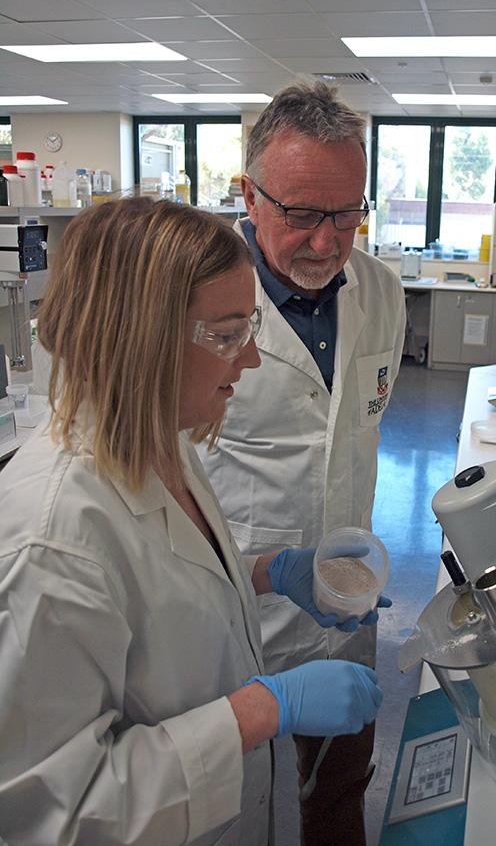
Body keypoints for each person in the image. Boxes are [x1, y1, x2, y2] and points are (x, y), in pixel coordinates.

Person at [0, 197, 384, 846]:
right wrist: (260, 710)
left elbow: (160, 591)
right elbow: (48, 815)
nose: (251, 358)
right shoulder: (51, 539)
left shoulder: (161, 438)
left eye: (250, 326)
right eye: (227, 333)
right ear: (139, 340)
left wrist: (267, 573)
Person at [200, 82, 406, 845]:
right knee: (237, 807)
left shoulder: (381, 292)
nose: (327, 241)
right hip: (233, 623)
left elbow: (356, 434)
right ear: (249, 196)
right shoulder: (192, 301)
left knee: (339, 791)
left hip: (344, 608)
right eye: (301, 214)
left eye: (347, 214)